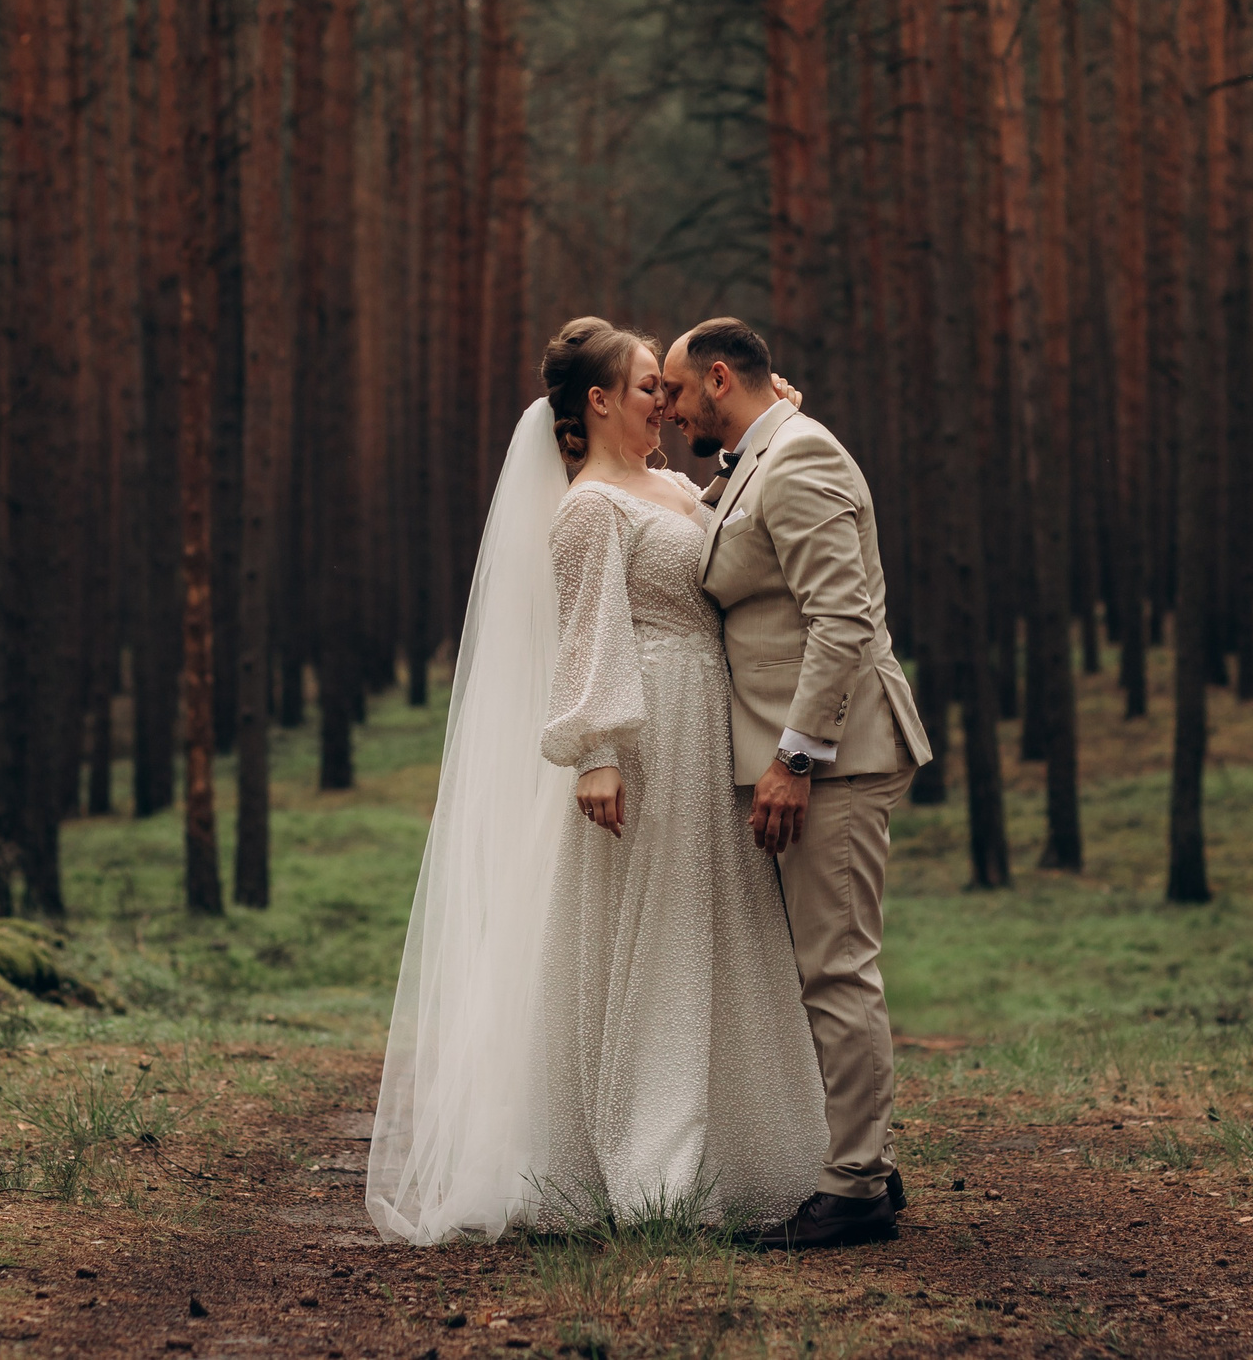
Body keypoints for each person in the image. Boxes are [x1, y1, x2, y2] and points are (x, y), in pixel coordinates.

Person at [365, 318, 826, 1245]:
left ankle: (738, 1150)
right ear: (601, 400)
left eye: (669, 382)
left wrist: (775, 423)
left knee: (711, 924)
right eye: (651, 382)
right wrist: (599, 751)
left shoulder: (675, 485)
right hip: (648, 727)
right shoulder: (586, 507)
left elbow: (732, 534)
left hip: (711, 724)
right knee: (650, 933)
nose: (669, 397)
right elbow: (590, 629)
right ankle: (651, 1162)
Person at [663, 316, 933, 1251]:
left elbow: (843, 619)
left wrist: (794, 756)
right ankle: (863, 1158)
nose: (669, 407)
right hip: (813, 758)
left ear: (721, 378)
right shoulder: (766, 453)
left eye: (678, 390)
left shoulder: (802, 458)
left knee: (836, 966)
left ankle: (855, 1185)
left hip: (839, 756)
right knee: (817, 966)